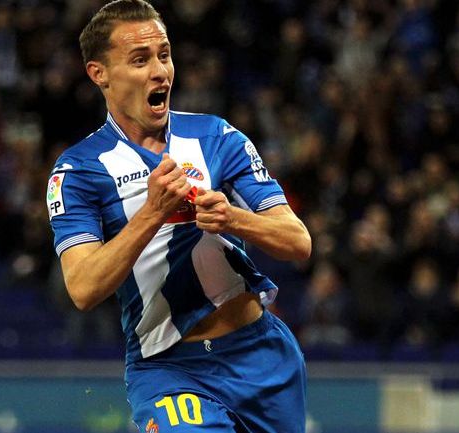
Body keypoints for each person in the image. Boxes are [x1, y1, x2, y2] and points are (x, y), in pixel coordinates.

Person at [46, 1, 312, 432]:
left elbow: (298, 242)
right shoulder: (78, 171)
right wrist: (152, 213)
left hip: (263, 356)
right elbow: (82, 288)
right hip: (171, 371)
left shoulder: (216, 136)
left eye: (164, 55)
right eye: (139, 59)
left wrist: (231, 218)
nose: (160, 72)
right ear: (100, 74)